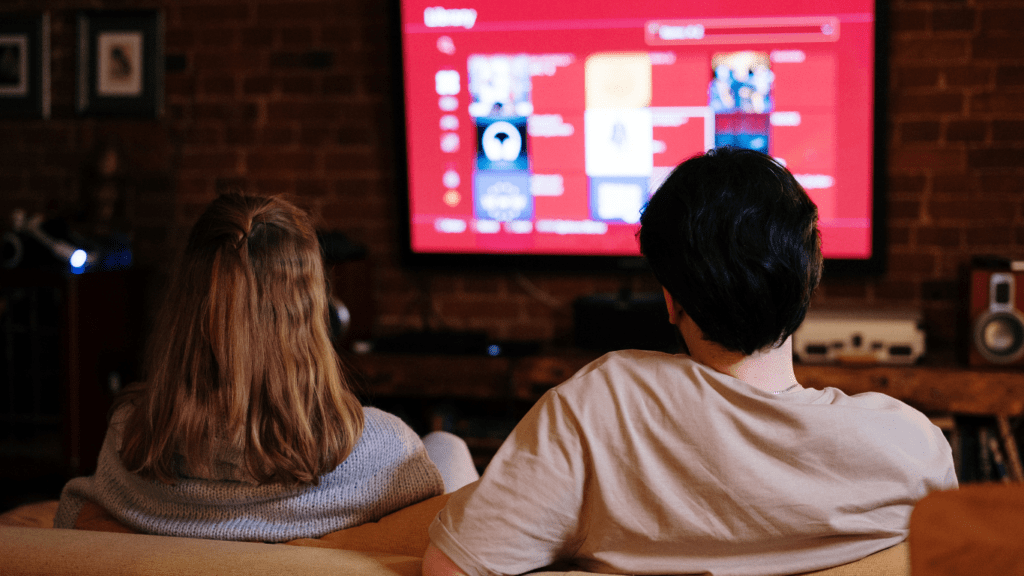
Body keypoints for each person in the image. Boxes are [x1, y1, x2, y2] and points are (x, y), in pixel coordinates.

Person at [422, 147, 958, 576]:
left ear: (671, 299)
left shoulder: (603, 406)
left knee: (442, 447)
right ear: (809, 282)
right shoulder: (916, 449)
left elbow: (451, 567)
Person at [54, 193, 475, 542]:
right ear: (313, 314)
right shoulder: (383, 450)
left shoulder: (129, 436)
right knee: (448, 445)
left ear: (184, 311)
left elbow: (76, 512)